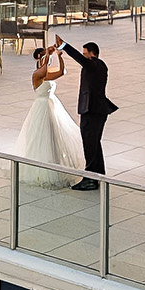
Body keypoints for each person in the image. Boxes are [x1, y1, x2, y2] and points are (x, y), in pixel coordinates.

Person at [12, 45, 86, 189]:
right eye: (46, 57)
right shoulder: (37, 74)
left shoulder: (45, 73)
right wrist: (46, 54)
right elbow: (44, 68)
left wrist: (59, 56)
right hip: (42, 107)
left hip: (51, 106)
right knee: (41, 136)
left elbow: (62, 72)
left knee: (53, 135)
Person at [56, 34, 118, 191]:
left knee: (90, 144)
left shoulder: (94, 65)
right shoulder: (98, 66)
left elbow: (79, 59)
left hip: (93, 111)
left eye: (85, 54)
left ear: (92, 53)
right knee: (94, 144)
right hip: (95, 109)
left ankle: (90, 178)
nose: (84, 57)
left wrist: (64, 46)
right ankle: (98, 175)